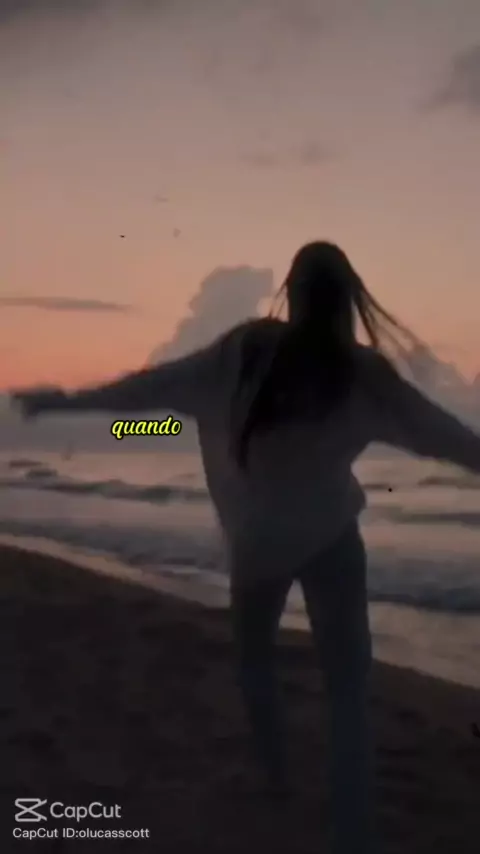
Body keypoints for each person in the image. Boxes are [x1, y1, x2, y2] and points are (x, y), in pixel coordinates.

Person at [12, 242, 480, 854]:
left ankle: (274, 774)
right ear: (349, 298)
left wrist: (66, 403)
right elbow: (444, 435)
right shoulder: (360, 374)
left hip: (259, 544)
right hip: (331, 540)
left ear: (289, 291)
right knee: (347, 692)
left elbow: (152, 390)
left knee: (254, 661)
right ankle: (353, 831)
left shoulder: (247, 351)